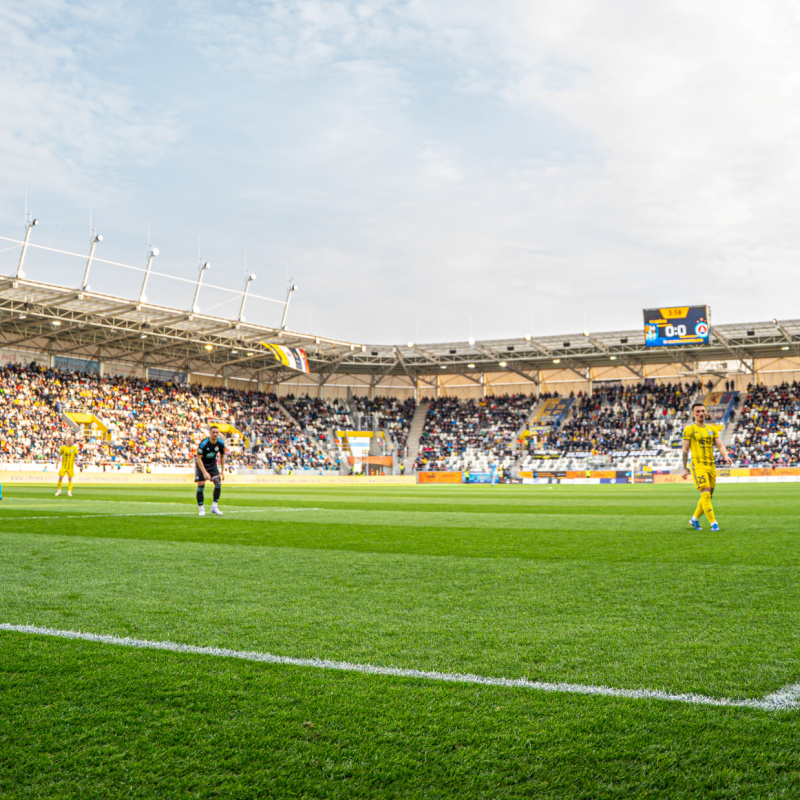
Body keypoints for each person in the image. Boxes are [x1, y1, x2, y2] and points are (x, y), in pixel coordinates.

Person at [682, 402, 731, 531]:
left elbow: (720, 445)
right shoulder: (689, 429)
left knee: (709, 495)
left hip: (711, 465)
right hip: (698, 465)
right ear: (693, 414)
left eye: (703, 411)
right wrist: (684, 468)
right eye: (697, 411)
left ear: (706, 413)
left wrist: (726, 455)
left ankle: (694, 519)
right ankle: (713, 523)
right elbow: (685, 450)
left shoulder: (712, 429)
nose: (701, 413)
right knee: (705, 493)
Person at [195, 425, 225, 517]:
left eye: (217, 433)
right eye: (213, 432)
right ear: (210, 433)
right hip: (201, 465)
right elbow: (198, 459)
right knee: (201, 485)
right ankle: (201, 508)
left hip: (212, 465)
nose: (215, 434)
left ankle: (214, 507)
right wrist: (204, 472)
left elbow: (222, 456)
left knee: (218, 483)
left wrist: (222, 470)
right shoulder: (203, 443)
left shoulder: (221, 443)